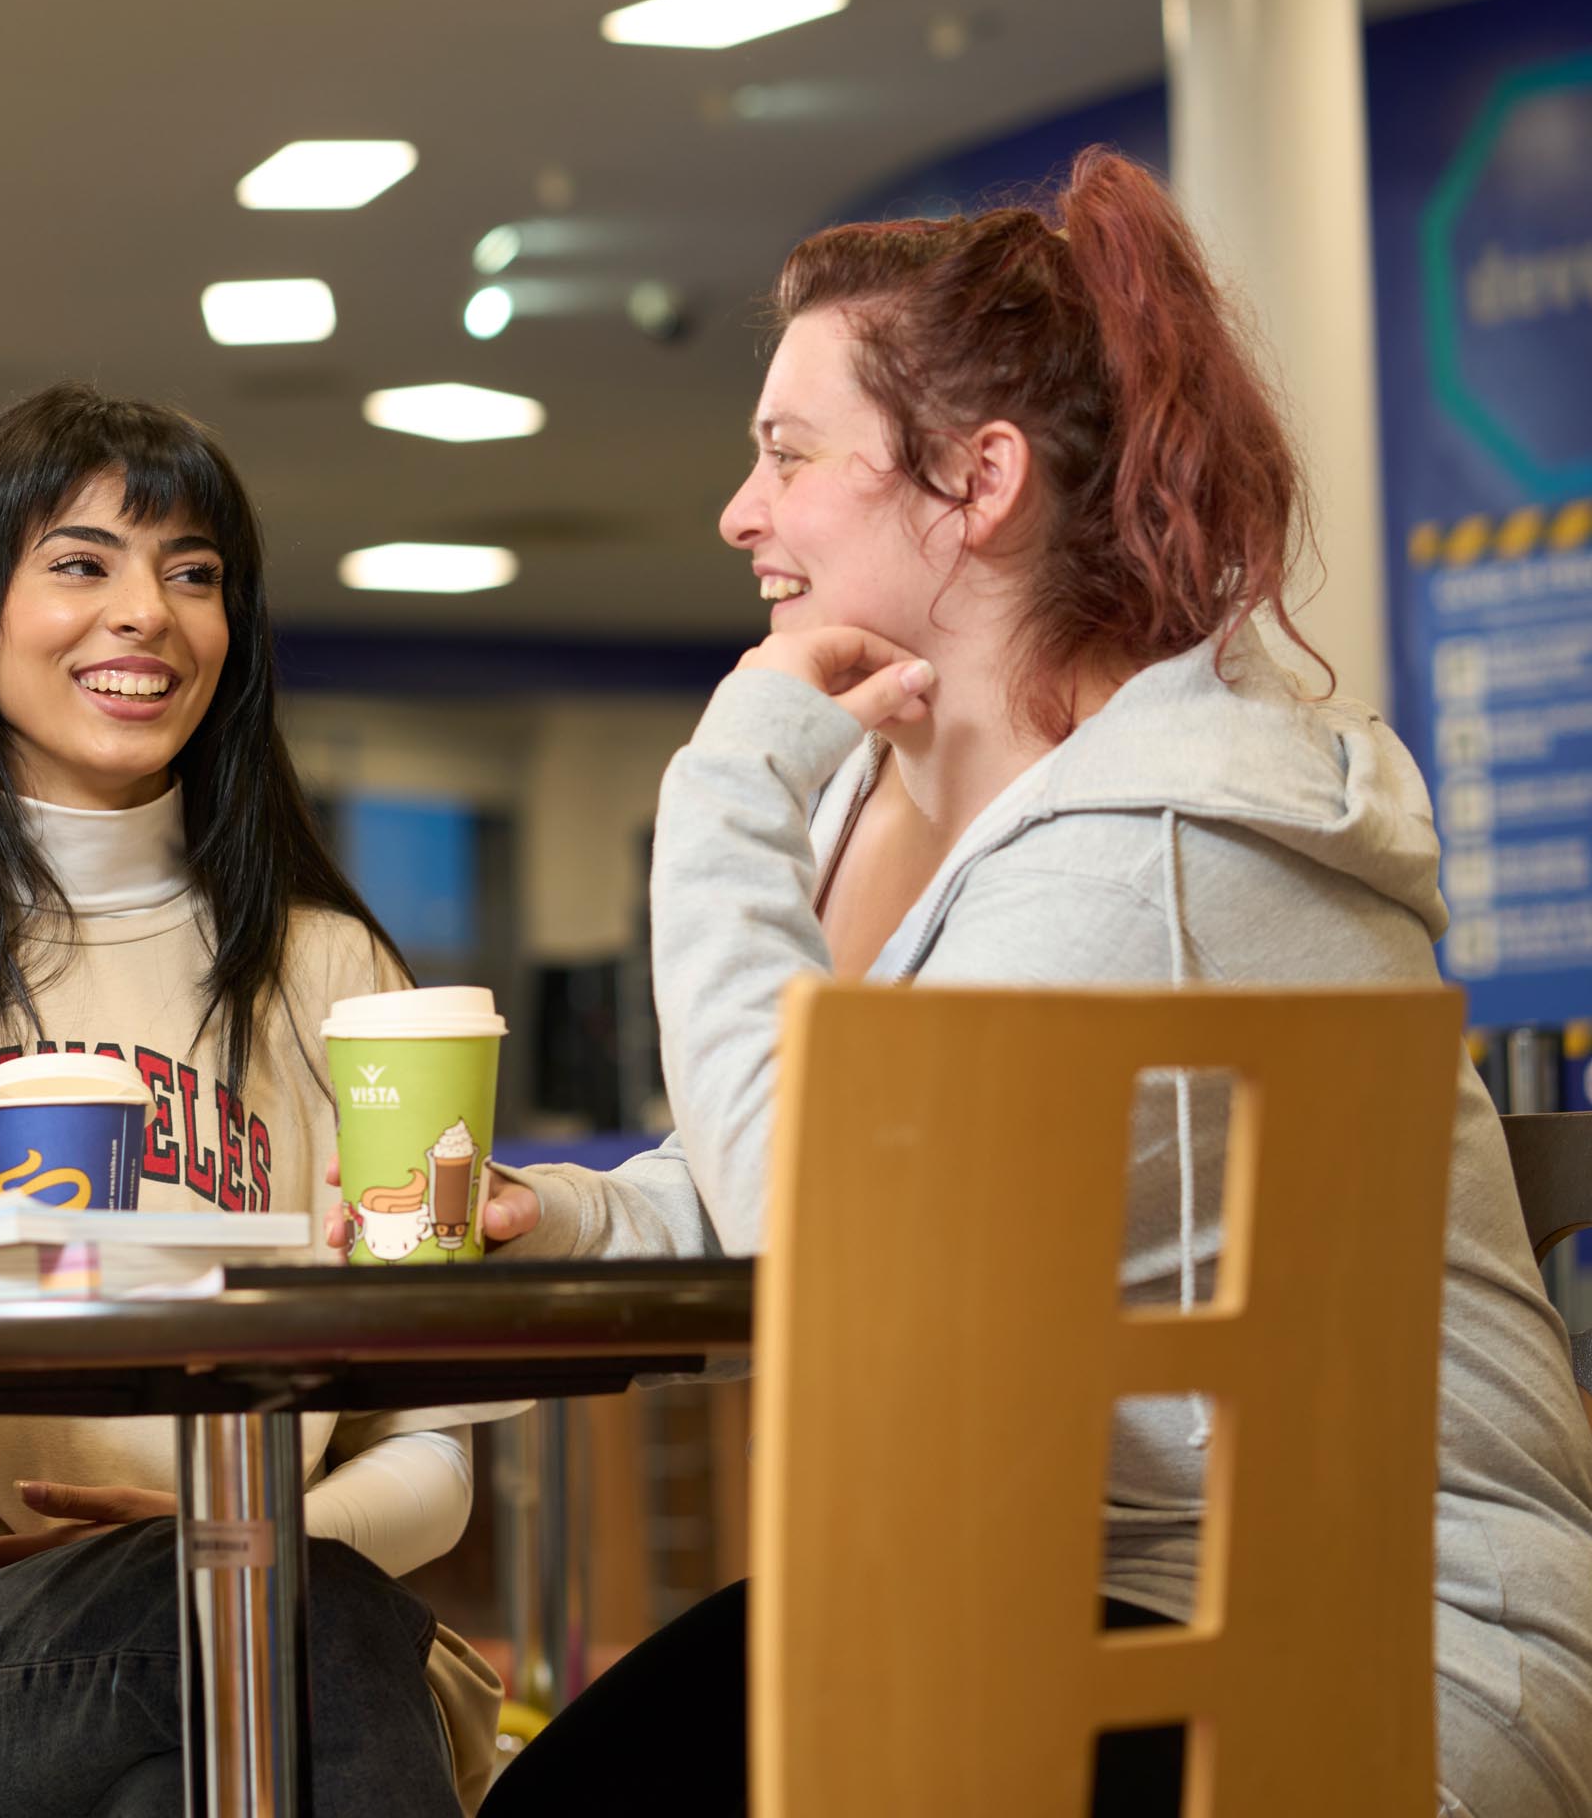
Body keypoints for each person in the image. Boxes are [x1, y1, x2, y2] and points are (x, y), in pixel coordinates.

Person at [442, 151, 1592, 1817]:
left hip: (1380, 1671)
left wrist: (723, 786)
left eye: (788, 454)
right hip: (1086, 1606)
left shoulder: (1150, 858)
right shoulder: (901, 806)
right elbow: (806, 1183)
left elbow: (827, 1253)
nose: (741, 512)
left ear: (979, 481)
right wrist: (564, 1217)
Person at [0, 383, 505, 1815]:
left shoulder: (334, 971)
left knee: (214, 1695)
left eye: (195, 574)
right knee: (261, 1632)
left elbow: (430, 1455)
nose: (147, 614)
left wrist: (225, 1539)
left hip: (285, 1614)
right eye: (81, 563)